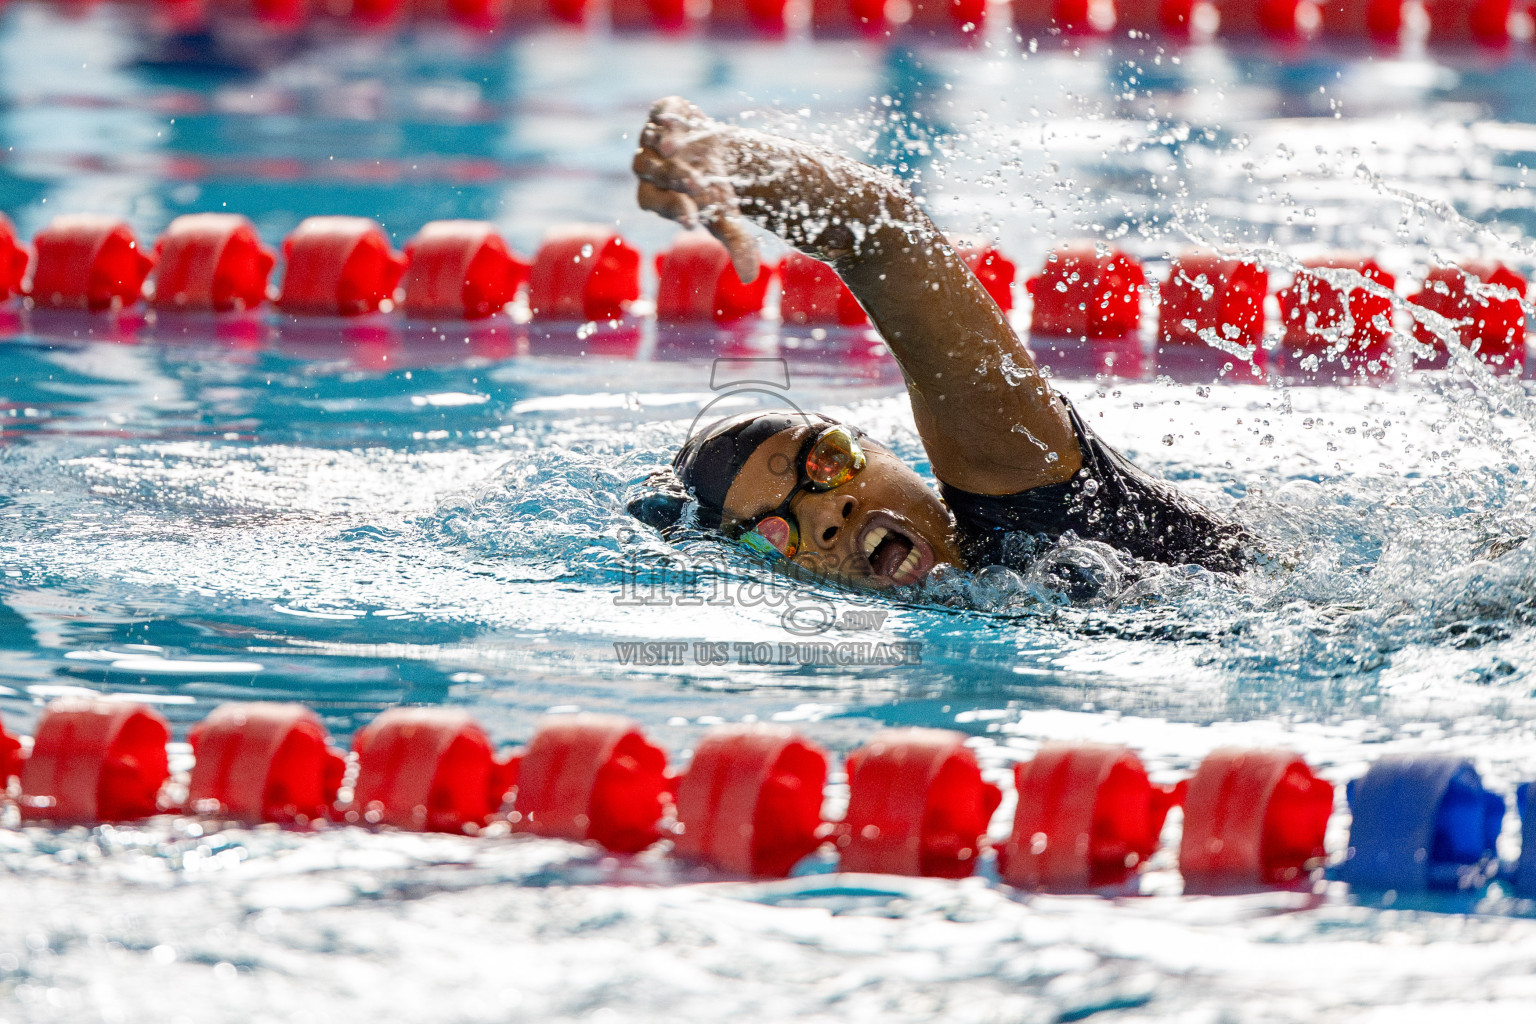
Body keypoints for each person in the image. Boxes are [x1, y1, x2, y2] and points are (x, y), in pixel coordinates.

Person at [628, 96, 1253, 591]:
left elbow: (881, 234)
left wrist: (734, 161)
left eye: (824, 462)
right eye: (774, 533)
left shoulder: (1024, 489)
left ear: (886, 449)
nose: (827, 516)